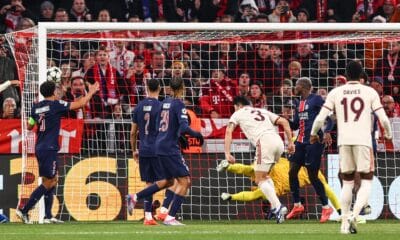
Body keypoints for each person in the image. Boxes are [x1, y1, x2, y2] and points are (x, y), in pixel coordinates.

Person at [311, 61, 392, 234]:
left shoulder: (336, 92)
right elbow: (383, 118)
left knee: (347, 183)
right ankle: (355, 215)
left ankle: (344, 224)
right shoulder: (369, 91)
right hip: (363, 141)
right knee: (366, 181)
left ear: (346, 75)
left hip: (344, 142)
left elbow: (320, 118)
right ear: (361, 74)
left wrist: (313, 132)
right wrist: (389, 133)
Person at [16, 80, 99, 224]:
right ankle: (24, 210)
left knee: (52, 179)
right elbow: (79, 105)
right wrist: (91, 91)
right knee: (49, 181)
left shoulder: (36, 107)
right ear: (54, 92)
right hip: (49, 148)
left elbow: (30, 126)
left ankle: (48, 216)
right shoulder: (56, 105)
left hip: (40, 146)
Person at [127, 77, 203, 226]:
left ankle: (135, 197)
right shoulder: (179, 104)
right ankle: (170, 217)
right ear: (183, 89)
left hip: (158, 146)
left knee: (167, 181)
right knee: (185, 181)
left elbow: (157, 125)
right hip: (169, 147)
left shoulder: (163, 103)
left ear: (168, 88)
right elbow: (183, 127)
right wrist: (197, 135)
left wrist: (176, 136)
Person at [224, 95, 295, 223]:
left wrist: (227, 153)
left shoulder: (238, 113)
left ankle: (278, 207)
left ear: (238, 106)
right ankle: (276, 208)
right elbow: (284, 122)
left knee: (258, 179)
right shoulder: (262, 110)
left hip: (264, 142)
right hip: (278, 142)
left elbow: (228, 131)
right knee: (265, 176)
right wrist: (290, 143)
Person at [217, 157, 341, 215]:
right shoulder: (313, 171)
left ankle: (229, 169)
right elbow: (328, 191)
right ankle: (231, 194)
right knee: (257, 190)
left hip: (277, 178)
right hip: (278, 179)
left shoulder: (293, 161)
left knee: (252, 172)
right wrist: (340, 210)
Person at [126, 78, 173, 225]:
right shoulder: (161, 107)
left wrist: (134, 150)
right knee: (171, 181)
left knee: (149, 182)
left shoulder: (139, 106)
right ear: (160, 88)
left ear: (147, 88)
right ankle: (163, 211)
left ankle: (148, 217)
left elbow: (133, 132)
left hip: (144, 149)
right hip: (158, 149)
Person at [287, 77, 334, 223]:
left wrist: (327, 132)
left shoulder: (317, 99)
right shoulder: (298, 103)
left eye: (296, 85)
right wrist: (281, 120)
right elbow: (295, 125)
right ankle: (297, 205)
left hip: (315, 141)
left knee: (313, 175)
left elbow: (331, 118)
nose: (294, 88)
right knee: (292, 171)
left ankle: (326, 207)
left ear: (303, 86)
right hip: (300, 142)